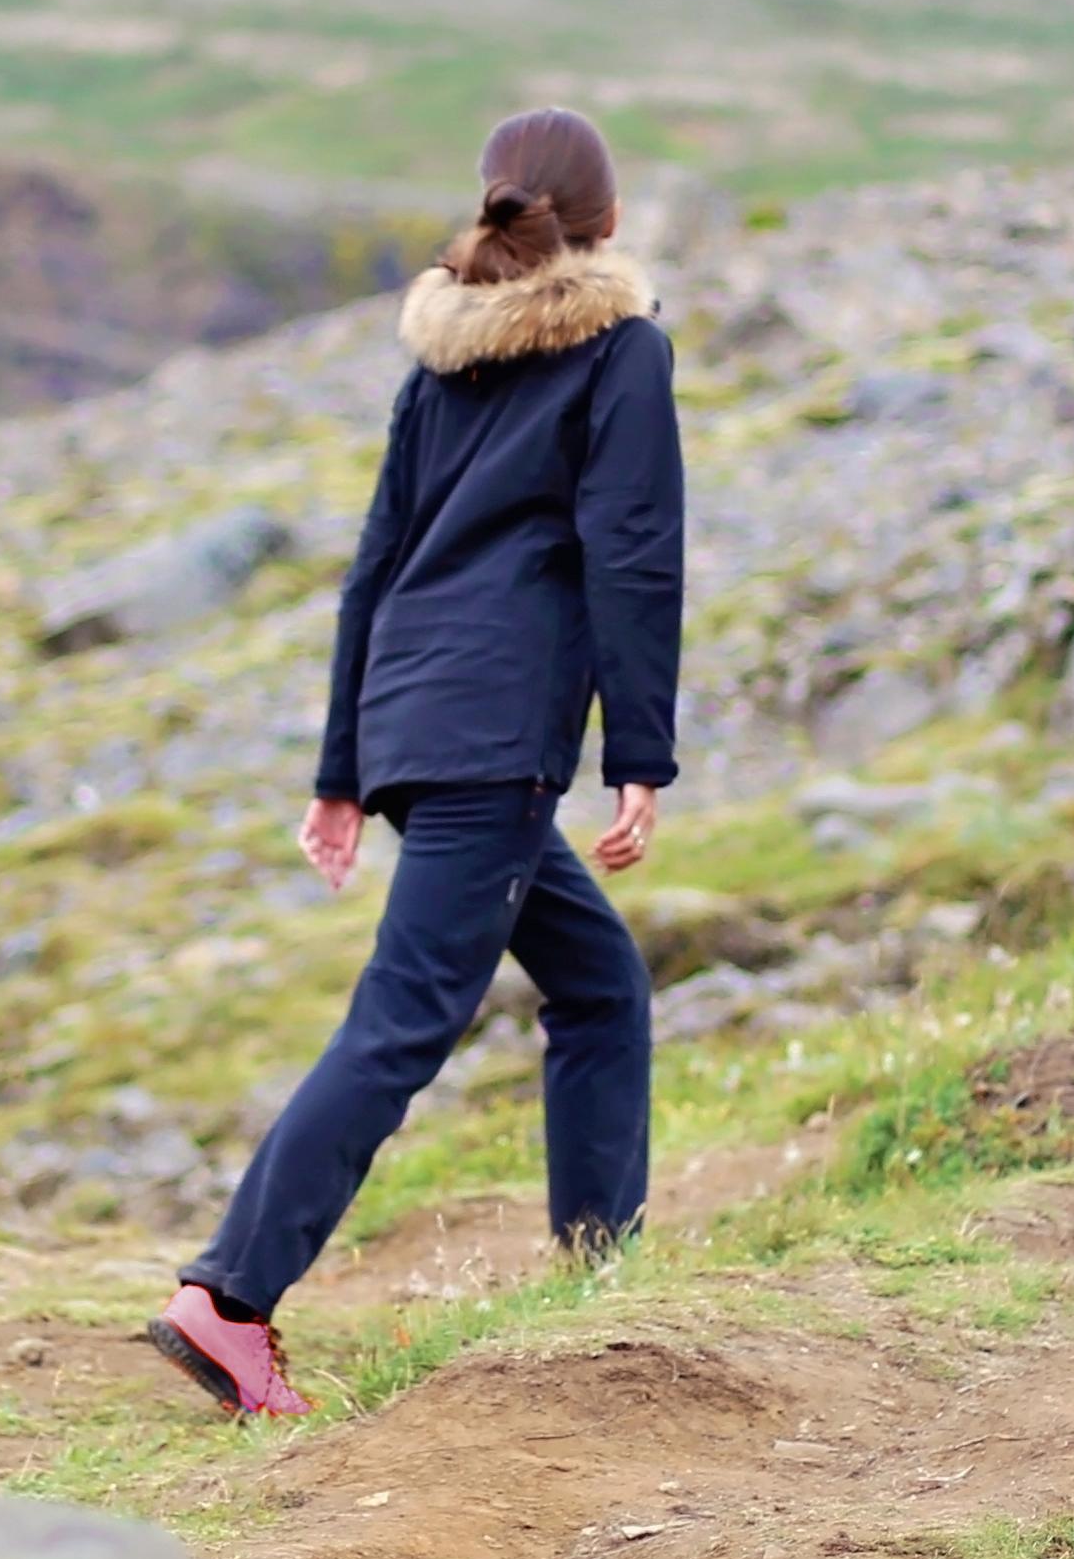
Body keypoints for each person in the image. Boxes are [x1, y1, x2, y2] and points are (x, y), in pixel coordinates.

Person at [147, 107, 685, 1419]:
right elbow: (632, 555)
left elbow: (371, 575)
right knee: (403, 1023)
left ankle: (594, 1272)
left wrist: (341, 769)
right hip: (492, 743)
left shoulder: (440, 365)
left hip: (418, 727)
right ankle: (229, 1298)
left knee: (600, 985)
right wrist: (643, 755)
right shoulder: (622, 352)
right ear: (605, 222)